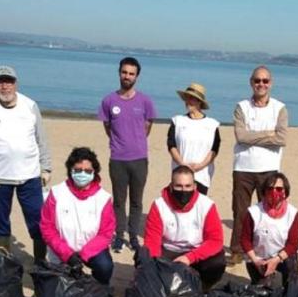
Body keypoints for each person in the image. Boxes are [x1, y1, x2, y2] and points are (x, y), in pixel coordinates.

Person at [0, 65, 52, 263]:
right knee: (0, 222)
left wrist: (46, 167)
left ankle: (40, 262)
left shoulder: (30, 105)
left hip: (30, 176)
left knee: (38, 220)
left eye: (8, 81)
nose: (4, 86)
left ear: (15, 84)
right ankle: (3, 262)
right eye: (0, 82)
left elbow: (41, 139)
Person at [229, 65, 288, 265]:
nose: (261, 84)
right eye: (257, 80)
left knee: (269, 211)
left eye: (265, 81)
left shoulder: (279, 108)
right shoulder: (241, 107)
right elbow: (241, 136)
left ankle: (266, 248)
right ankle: (237, 250)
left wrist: (253, 136)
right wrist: (268, 134)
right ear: (251, 82)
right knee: (240, 212)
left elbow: (281, 138)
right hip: (243, 168)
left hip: (269, 168)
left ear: (270, 83)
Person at [99, 56, 157, 253]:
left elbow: (147, 126)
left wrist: (135, 141)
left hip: (139, 158)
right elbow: (108, 127)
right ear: (119, 73)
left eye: (131, 73)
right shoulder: (108, 101)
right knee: (118, 201)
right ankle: (119, 236)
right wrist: (120, 142)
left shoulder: (145, 101)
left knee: (136, 201)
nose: (127, 76)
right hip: (117, 159)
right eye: (124, 72)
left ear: (136, 76)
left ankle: (133, 236)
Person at [39, 147, 115, 285]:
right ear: (70, 171)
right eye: (78, 170)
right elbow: (47, 228)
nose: (82, 174)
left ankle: (100, 289)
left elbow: (106, 233)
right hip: (61, 250)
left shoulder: (103, 198)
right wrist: (68, 255)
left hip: (91, 250)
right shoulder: (56, 193)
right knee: (57, 287)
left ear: (94, 172)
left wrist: (84, 254)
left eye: (87, 171)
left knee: (105, 267)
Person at [143, 166, 227, 290]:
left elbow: (215, 241)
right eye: (179, 186)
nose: (183, 190)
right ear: (171, 186)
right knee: (143, 258)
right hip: (168, 251)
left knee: (217, 262)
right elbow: (152, 241)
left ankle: (203, 289)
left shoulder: (206, 205)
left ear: (195, 187)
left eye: (188, 186)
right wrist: (157, 266)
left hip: (196, 251)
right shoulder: (159, 205)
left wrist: (189, 258)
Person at [239, 173, 298, 286]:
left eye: (279, 189)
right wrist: (255, 260)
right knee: (263, 289)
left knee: (292, 264)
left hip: (281, 256)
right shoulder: (254, 212)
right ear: (264, 191)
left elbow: (293, 243)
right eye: (270, 188)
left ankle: (289, 290)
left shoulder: (292, 213)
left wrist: (276, 259)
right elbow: (245, 240)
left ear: (285, 191)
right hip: (259, 257)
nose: (274, 192)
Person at [168, 83, 221, 195]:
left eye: (192, 98)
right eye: (187, 98)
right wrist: (182, 164)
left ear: (199, 102)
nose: (188, 101)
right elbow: (171, 145)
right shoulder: (177, 121)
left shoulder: (212, 124)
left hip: (202, 175)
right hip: (180, 173)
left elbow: (214, 150)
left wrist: (200, 166)